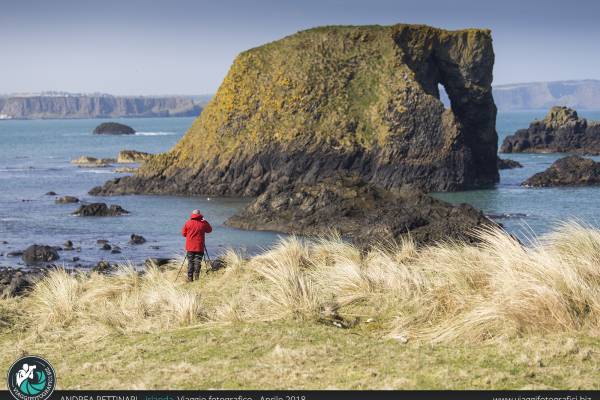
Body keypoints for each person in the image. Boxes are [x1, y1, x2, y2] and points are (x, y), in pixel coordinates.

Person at [181, 209, 212, 282]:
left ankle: (190, 278)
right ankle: (197, 278)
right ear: (199, 215)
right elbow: (209, 230)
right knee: (197, 262)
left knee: (190, 262)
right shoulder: (203, 223)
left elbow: (183, 234)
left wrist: (190, 235)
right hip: (199, 246)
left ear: (192, 214)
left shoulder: (188, 223)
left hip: (190, 247)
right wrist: (205, 221)